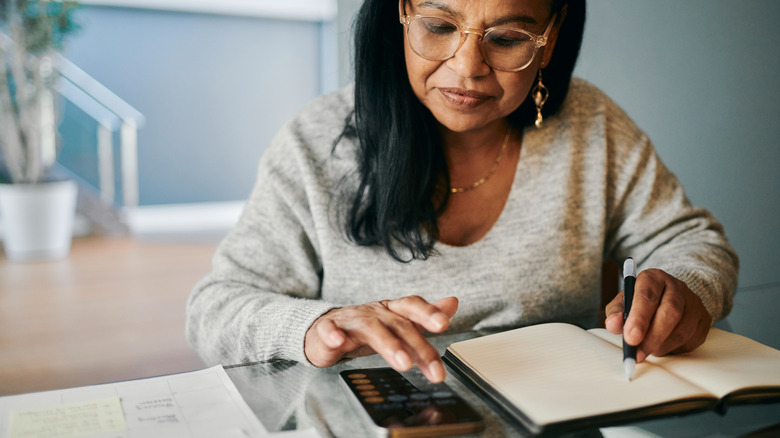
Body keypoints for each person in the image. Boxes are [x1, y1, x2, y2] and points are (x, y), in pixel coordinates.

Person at [185, 0, 738, 384]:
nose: (467, 67)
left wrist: (685, 286)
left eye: (506, 39)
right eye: (438, 26)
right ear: (400, 14)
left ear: (550, 38)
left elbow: (693, 241)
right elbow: (215, 308)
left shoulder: (591, 124)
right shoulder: (315, 141)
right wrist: (313, 327)